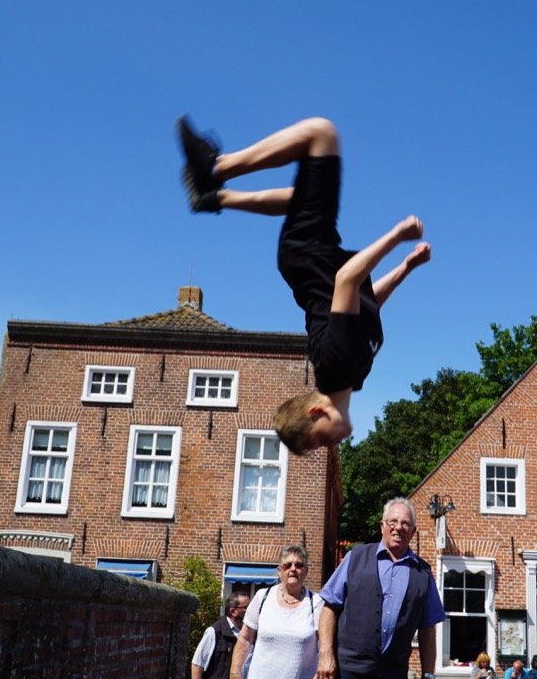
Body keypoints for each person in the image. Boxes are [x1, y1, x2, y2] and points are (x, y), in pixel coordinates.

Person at [177, 115, 432, 454]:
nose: (331, 444)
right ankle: (213, 199)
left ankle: (215, 168)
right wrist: (406, 267)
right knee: (299, 197)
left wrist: (396, 236)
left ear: (316, 412)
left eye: (321, 439)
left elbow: (347, 279)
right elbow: (368, 303)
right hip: (313, 254)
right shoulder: (353, 376)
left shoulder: (336, 366)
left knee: (321, 134)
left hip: (308, 253)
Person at [315, 497, 445, 679]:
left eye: (405, 523)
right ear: (382, 526)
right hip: (347, 675)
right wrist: (325, 655)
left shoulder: (423, 573)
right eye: (393, 521)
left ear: (413, 532)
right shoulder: (356, 557)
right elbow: (329, 608)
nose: (398, 527)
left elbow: (428, 629)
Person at [229, 544, 325, 679]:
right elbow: (245, 638)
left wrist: (320, 677)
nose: (293, 569)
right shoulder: (262, 597)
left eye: (299, 565)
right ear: (279, 570)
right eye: (288, 565)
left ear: (306, 570)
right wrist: (234, 673)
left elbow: (324, 645)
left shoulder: (316, 603)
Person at [192, 592, 250, 679]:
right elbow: (197, 664)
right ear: (233, 611)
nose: (250, 611)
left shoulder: (248, 635)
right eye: (246, 607)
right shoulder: (214, 632)